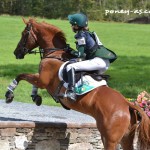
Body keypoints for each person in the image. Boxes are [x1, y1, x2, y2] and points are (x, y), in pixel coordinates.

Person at [66, 13, 117, 101]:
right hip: (105, 63)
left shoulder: (81, 35)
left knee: (70, 66)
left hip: (98, 62)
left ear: (77, 25)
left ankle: (71, 92)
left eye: (72, 24)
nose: (71, 26)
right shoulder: (88, 33)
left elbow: (80, 55)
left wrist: (69, 50)